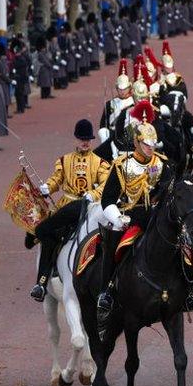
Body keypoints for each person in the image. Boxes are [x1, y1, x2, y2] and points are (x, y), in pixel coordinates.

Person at [93, 107, 193, 317]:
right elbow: (107, 200)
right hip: (130, 215)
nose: (150, 149)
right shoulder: (122, 166)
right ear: (136, 142)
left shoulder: (162, 164)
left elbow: (170, 192)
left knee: (182, 243)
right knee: (113, 243)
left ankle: (188, 291)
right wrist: (118, 218)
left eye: (153, 145)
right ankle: (106, 291)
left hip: (157, 214)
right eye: (146, 144)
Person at [29, 120, 112, 301]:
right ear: (76, 139)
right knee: (47, 236)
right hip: (67, 205)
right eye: (82, 139)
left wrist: (93, 194)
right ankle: (41, 283)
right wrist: (47, 188)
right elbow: (56, 179)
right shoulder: (64, 160)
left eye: (88, 139)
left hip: (88, 207)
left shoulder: (100, 163)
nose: (85, 142)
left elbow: (106, 185)